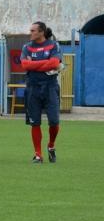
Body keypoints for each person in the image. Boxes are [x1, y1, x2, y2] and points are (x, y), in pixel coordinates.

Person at [20, 22, 63, 163]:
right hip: (32, 87)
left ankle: (51, 146)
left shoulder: (53, 45)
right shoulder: (27, 47)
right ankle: (38, 154)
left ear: (41, 32)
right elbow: (25, 65)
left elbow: (55, 63)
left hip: (50, 87)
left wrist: (34, 65)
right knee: (35, 123)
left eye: (33, 30)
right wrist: (45, 63)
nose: (30, 33)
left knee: (54, 122)